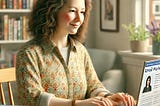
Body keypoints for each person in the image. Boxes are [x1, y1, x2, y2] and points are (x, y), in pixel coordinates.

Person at [16, 0, 135, 106]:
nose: (79, 19)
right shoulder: (29, 53)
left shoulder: (80, 50)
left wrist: (107, 96)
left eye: (82, 12)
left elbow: (93, 85)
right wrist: (77, 104)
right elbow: (32, 98)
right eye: (73, 11)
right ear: (52, 12)